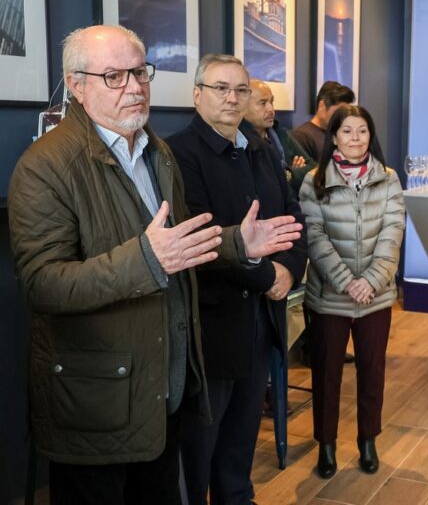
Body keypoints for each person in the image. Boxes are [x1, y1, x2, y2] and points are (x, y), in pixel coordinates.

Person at [7, 26, 302, 504]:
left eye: (140, 73)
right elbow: (44, 285)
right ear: (77, 85)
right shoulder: (45, 165)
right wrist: (147, 259)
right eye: (114, 76)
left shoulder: (154, 152)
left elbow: (179, 243)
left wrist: (236, 243)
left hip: (164, 391)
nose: (134, 87)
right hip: (97, 404)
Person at [165, 54, 307, 505]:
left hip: (261, 323)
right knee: (199, 454)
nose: (231, 98)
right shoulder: (178, 154)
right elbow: (198, 237)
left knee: (240, 450)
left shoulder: (261, 150)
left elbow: (292, 218)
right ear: (197, 94)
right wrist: (268, 276)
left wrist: (287, 270)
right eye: (220, 88)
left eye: (240, 90)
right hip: (211, 329)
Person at [299, 105, 405, 479]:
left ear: (371, 136)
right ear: (334, 137)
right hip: (330, 296)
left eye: (363, 131)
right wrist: (347, 282)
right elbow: (315, 237)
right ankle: (325, 446)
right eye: (347, 131)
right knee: (326, 375)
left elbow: (393, 234)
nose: (356, 138)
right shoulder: (314, 181)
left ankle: (367, 440)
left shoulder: (388, 178)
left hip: (375, 298)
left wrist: (371, 281)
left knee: (372, 372)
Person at [243, 79, 316, 196]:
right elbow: (260, 184)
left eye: (271, 102)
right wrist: (292, 173)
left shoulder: (281, 135)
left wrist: (289, 173)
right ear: (243, 108)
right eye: (262, 103)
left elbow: (313, 168)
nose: (271, 109)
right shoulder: (238, 141)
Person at [291, 80, 355, 161]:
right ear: (322, 106)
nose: (342, 117)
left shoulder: (338, 134)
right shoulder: (302, 136)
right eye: (339, 111)